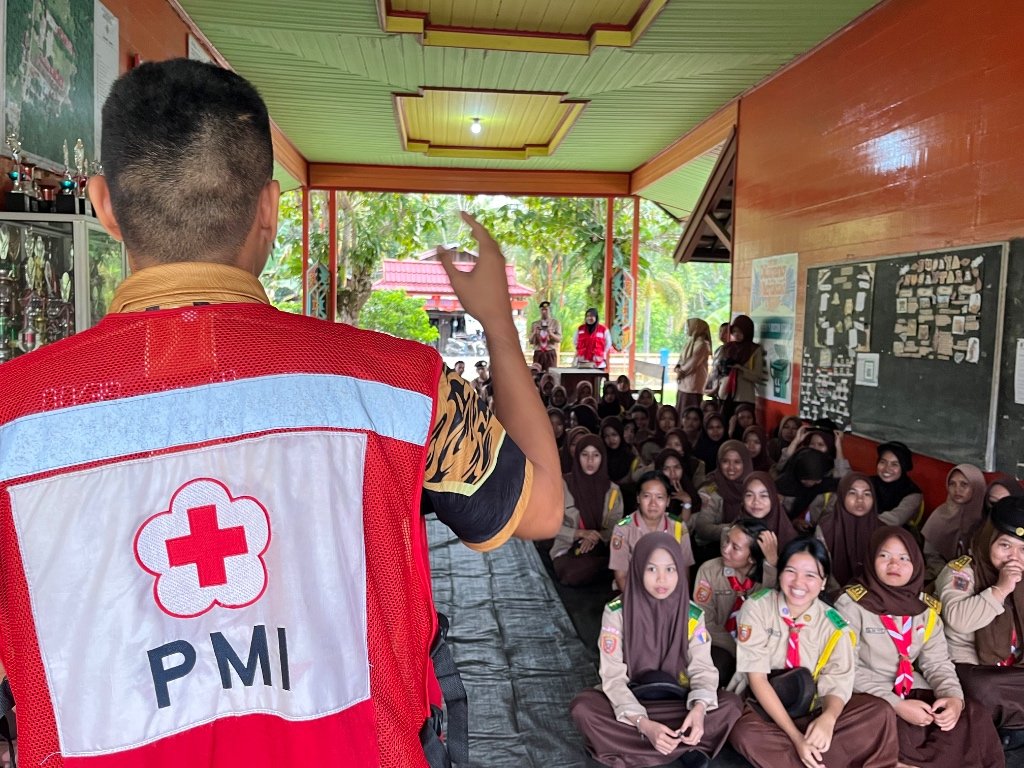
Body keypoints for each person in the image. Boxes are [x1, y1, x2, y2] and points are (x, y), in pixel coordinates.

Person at [0, 59, 563, 768]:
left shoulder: (12, 421)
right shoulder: (398, 389)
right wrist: (497, 326)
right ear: (269, 207)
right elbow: (542, 507)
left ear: (104, 204)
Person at [835, 526, 1003, 768]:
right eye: (884, 556)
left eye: (904, 558)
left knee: (970, 714)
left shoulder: (925, 609)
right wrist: (897, 704)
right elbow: (845, 669)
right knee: (897, 728)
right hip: (870, 692)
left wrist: (953, 698)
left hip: (911, 686)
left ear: (916, 563)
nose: (895, 564)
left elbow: (936, 663)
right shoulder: (851, 604)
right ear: (871, 560)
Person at [570, 533, 743, 768]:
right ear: (639, 569)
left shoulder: (692, 614)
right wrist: (643, 723)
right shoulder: (617, 612)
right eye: (652, 569)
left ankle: (638, 750)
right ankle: (681, 746)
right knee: (584, 708)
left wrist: (700, 710)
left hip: (678, 702)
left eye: (670, 569)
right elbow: (613, 678)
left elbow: (703, 669)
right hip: (632, 704)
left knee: (731, 705)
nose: (662, 579)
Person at [727, 537, 900, 768]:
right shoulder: (757, 607)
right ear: (779, 574)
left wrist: (828, 719)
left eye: (810, 575)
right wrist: (797, 738)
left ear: (823, 582)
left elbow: (838, 680)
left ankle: (797, 758)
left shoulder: (835, 624)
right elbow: (756, 678)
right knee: (744, 733)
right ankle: (818, 758)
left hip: (812, 709)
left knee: (879, 712)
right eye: (791, 571)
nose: (799, 582)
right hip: (764, 708)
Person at [936, 496, 1024, 750]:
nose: (1013, 557)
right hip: (974, 670)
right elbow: (959, 620)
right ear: (988, 540)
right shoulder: (961, 571)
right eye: (1005, 545)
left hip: (1013, 669)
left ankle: (1010, 725)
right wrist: (1001, 589)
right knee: (980, 689)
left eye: (1022, 549)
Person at [693, 518, 778, 683]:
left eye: (735, 548)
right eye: (727, 541)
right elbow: (704, 621)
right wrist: (738, 649)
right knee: (716, 669)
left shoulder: (768, 576)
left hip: (759, 648)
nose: (725, 549)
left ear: (752, 558)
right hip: (719, 643)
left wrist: (772, 564)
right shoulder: (709, 570)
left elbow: (772, 606)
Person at [551, 436, 624, 586]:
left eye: (596, 455)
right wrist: (580, 533)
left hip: (600, 548)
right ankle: (607, 569)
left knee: (581, 570)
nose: (590, 461)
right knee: (571, 573)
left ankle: (605, 567)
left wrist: (595, 537)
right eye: (585, 455)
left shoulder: (613, 491)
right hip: (567, 548)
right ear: (577, 457)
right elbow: (547, 525)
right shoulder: (563, 485)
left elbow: (616, 527)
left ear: (602, 458)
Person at [610, 472, 696, 593]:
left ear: (668, 501)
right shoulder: (623, 529)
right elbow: (621, 577)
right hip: (633, 592)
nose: (653, 503)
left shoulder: (678, 526)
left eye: (659, 497)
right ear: (638, 498)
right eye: (647, 496)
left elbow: (684, 571)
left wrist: (678, 602)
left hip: (669, 593)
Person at [815, 473, 883, 593]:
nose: (860, 499)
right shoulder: (826, 529)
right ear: (841, 496)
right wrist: (842, 596)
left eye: (867, 494)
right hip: (834, 594)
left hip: (873, 595)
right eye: (852, 493)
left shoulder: (883, 530)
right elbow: (822, 570)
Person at [922, 464, 988, 582]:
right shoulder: (940, 514)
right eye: (952, 484)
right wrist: (947, 575)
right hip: (940, 575)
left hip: (977, 579)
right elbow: (931, 555)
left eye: (964, 484)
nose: (957, 489)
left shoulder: (987, 520)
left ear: (977, 486)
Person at [693, 441, 753, 550]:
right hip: (713, 551)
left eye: (737, 462)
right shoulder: (710, 489)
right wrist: (735, 529)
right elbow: (702, 528)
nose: (731, 467)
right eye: (725, 461)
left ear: (746, 463)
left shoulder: (754, 488)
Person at [714, 315, 764, 422]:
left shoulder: (754, 349)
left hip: (744, 397)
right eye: (734, 331)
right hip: (725, 394)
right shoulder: (727, 347)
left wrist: (740, 369)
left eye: (740, 332)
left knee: (742, 427)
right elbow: (717, 370)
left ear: (747, 332)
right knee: (723, 425)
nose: (736, 334)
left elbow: (757, 376)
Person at [870, 441, 923, 528]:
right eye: (883, 462)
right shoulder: (869, 482)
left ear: (903, 467)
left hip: (891, 536)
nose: (887, 468)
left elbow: (894, 520)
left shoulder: (913, 494)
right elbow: (846, 486)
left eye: (894, 464)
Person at [675, 318, 712, 412]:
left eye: (689, 327)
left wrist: (681, 371)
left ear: (696, 328)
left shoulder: (703, 345)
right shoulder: (690, 343)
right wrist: (678, 368)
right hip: (683, 383)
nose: (687, 329)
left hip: (693, 386)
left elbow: (693, 363)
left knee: (690, 411)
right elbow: (681, 359)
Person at [528, 300, 562, 371]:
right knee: (536, 374)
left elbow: (559, 339)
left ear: (550, 310)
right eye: (542, 310)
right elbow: (530, 341)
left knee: (551, 375)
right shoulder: (534, 324)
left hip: (550, 352)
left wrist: (551, 333)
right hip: (538, 353)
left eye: (546, 310)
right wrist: (534, 332)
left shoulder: (555, 323)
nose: (544, 311)